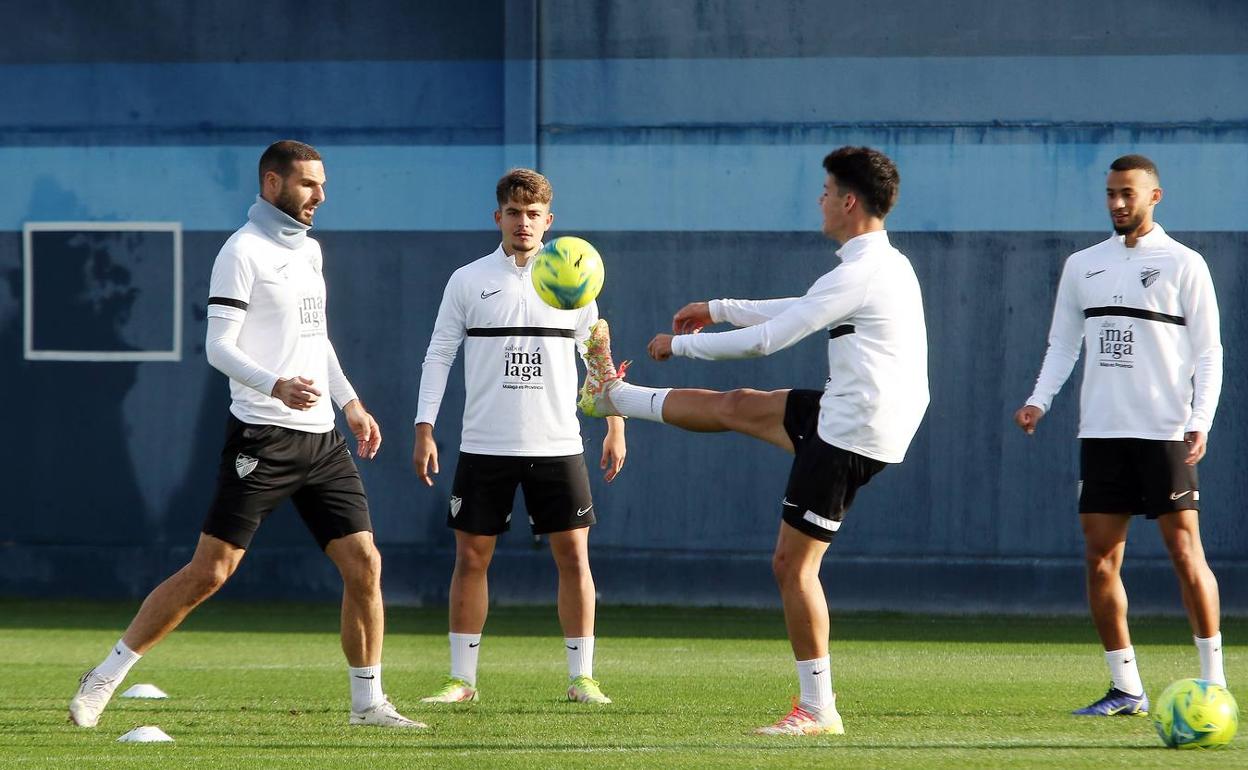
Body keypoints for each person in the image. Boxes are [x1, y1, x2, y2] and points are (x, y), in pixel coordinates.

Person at [68, 140, 423, 729]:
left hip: (324, 440)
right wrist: (275, 385)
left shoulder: (309, 251)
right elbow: (217, 347)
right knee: (211, 572)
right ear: (271, 184)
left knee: (365, 563)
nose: (320, 195)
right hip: (264, 438)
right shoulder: (242, 251)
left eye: (323, 184)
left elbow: (318, 338)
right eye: (308, 184)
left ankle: (367, 704)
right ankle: (104, 675)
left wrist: (351, 403)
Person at [579, 146, 928, 735]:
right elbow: (803, 308)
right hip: (856, 411)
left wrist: (677, 345)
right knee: (740, 406)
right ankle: (609, 398)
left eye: (825, 191)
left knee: (792, 566)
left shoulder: (863, 269)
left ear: (849, 201)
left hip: (853, 430)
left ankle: (818, 709)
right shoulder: (869, 266)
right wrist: (716, 308)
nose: (818, 200)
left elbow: (772, 340)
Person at [1014, 154, 1225, 716]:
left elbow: (1209, 352)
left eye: (1128, 193)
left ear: (1155, 196)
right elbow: (1063, 343)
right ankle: (1126, 688)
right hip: (1103, 432)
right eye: (1110, 193)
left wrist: (1198, 419)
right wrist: (1039, 399)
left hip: (1164, 432)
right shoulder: (1083, 265)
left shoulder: (1185, 264)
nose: (1116, 203)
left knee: (1185, 551)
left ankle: (1215, 683)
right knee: (1100, 560)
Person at [412, 168, 626, 706]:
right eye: (514, 213)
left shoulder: (577, 282)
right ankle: (462, 680)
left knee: (574, 558)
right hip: (484, 444)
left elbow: (597, 358)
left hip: (558, 444)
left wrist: (615, 425)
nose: (523, 223)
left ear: (548, 222)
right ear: (498, 218)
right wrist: (424, 427)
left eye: (534, 215)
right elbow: (439, 354)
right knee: (471, 558)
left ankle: (582, 678)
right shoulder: (467, 279)